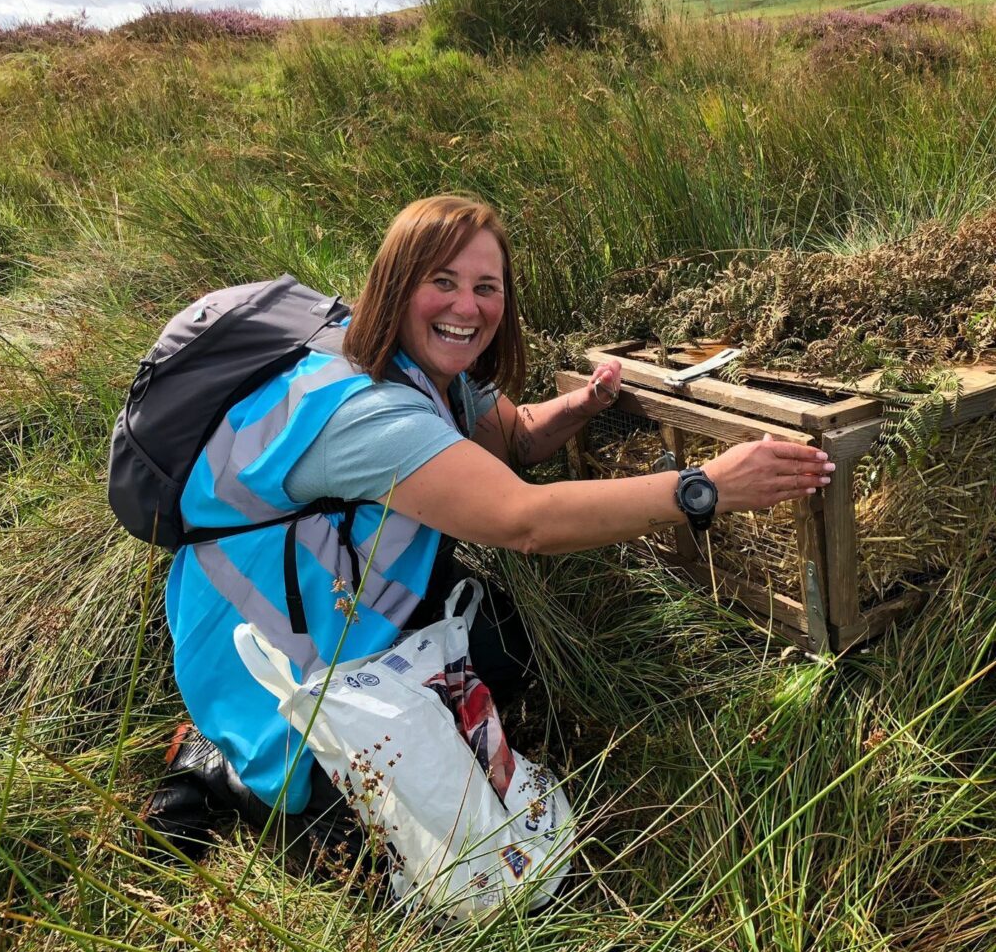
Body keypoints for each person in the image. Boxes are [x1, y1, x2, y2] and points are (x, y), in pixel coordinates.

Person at [143, 194, 835, 863]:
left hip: (341, 621)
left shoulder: (423, 369)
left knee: (507, 648)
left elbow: (519, 438)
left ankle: (261, 745)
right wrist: (704, 486)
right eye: (441, 282)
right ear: (394, 282)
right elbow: (523, 520)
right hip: (275, 675)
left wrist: (585, 404)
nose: (467, 307)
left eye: (486, 287)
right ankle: (220, 766)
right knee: (399, 861)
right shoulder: (366, 415)